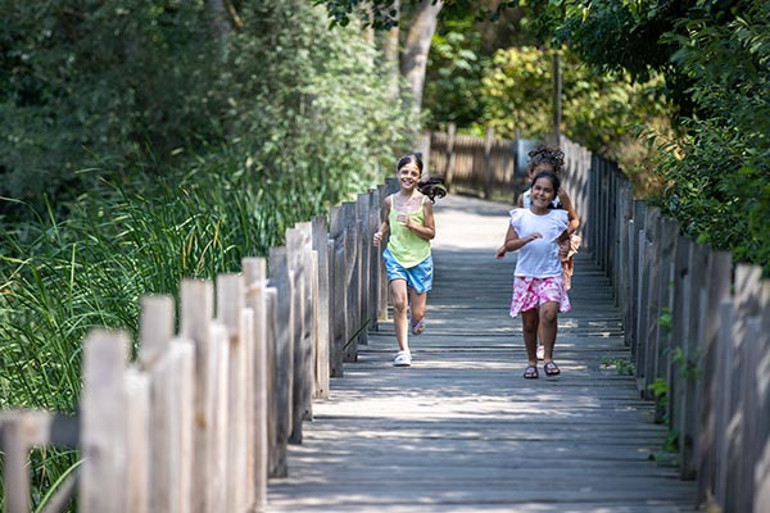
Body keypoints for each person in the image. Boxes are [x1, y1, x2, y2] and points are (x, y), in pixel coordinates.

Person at [496, 170, 571, 379]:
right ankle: (531, 362)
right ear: (531, 190)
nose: (541, 194)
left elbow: (564, 239)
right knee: (529, 323)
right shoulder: (520, 216)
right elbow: (509, 245)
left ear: (554, 195)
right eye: (537, 188)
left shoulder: (558, 217)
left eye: (547, 191)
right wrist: (525, 239)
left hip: (550, 274)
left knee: (549, 314)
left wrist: (565, 249)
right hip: (525, 275)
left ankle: (548, 358)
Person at [373, 153, 446, 367]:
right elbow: (388, 221)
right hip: (395, 255)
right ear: (398, 174)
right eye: (404, 172)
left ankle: (417, 318)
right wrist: (380, 233)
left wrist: (413, 226)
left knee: (417, 311)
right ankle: (403, 350)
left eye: (413, 173)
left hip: (420, 259)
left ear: (419, 176)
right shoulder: (390, 201)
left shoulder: (424, 203)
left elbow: (431, 233)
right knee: (399, 303)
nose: (408, 176)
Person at [517, 144, 581, 359]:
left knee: (549, 306)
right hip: (531, 260)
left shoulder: (559, 196)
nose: (544, 179)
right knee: (532, 308)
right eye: (539, 174)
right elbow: (518, 224)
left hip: (555, 258)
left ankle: (545, 347)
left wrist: (564, 235)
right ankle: (534, 345)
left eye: (550, 175)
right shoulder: (524, 199)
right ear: (530, 175)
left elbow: (574, 219)